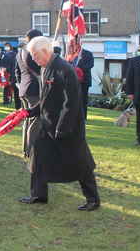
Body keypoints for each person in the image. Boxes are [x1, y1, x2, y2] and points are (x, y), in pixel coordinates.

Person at [19, 36, 100, 211]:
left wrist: (62, 128)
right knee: (37, 157)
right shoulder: (45, 68)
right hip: (47, 124)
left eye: (34, 55)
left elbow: (71, 103)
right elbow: (46, 99)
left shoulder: (65, 70)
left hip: (68, 127)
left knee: (81, 163)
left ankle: (93, 199)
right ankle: (38, 195)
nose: (33, 59)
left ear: (46, 51)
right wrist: (31, 111)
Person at [15, 29, 43, 156]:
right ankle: (31, 151)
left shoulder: (20, 52)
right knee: (35, 120)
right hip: (34, 90)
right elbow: (40, 68)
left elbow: (17, 72)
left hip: (24, 89)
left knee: (27, 120)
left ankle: (25, 149)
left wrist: (21, 85)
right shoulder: (32, 52)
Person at [68, 45, 94, 119]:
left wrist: (79, 69)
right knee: (73, 99)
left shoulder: (88, 53)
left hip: (84, 81)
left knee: (83, 99)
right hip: (73, 80)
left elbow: (91, 65)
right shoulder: (71, 54)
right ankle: (74, 116)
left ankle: (83, 117)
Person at [0, 42, 20, 108]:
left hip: (10, 72)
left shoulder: (12, 54)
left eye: (7, 46)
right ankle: (7, 100)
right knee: (7, 87)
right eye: (5, 46)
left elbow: (12, 64)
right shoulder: (4, 54)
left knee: (10, 87)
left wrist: (6, 69)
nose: (6, 48)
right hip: (6, 73)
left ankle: (9, 100)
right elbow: (0, 62)